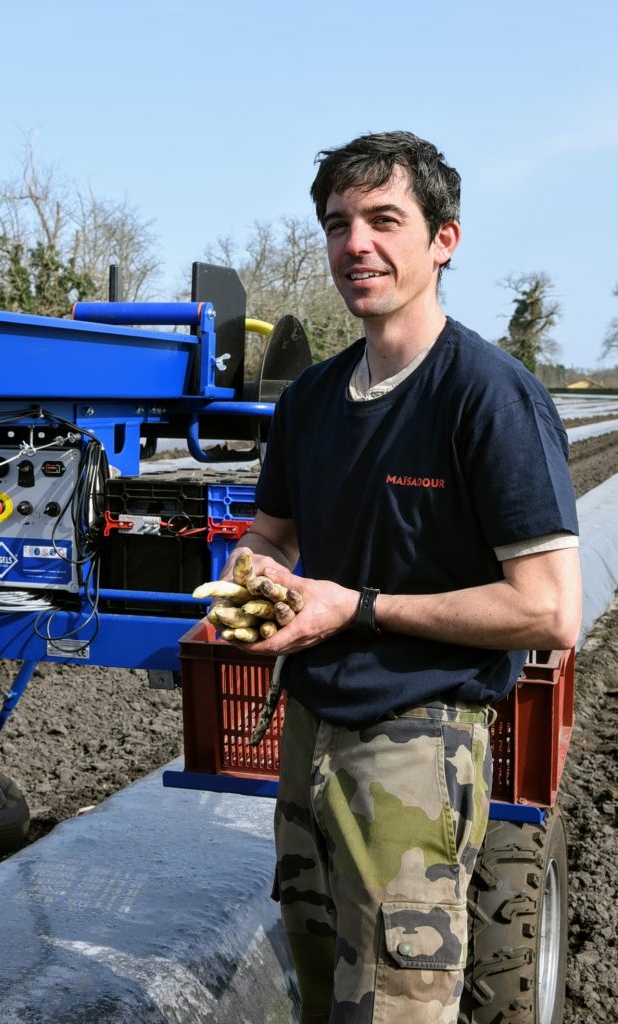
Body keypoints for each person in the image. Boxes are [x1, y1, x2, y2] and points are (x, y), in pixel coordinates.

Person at [222, 131, 582, 1024]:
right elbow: (272, 535)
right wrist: (253, 573)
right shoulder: (309, 400)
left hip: (416, 743)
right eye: (339, 224)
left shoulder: (486, 395)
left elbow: (548, 609)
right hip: (308, 732)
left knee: (394, 1006)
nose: (357, 245)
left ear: (442, 241)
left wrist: (360, 607)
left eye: (385, 220)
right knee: (321, 989)